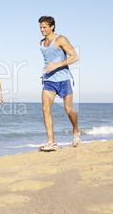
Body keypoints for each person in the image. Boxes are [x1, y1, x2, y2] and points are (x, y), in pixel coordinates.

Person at [39, 16, 80, 151]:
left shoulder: (61, 39)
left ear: (52, 27)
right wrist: (45, 73)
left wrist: (56, 65)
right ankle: (51, 141)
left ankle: (76, 131)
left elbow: (74, 57)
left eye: (44, 27)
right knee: (46, 109)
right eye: (40, 27)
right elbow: (48, 61)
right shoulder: (41, 43)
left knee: (68, 110)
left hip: (64, 79)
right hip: (49, 80)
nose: (42, 30)